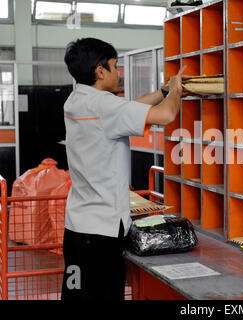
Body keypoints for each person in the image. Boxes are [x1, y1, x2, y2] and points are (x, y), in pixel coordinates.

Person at [61, 37, 186, 301]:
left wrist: (163, 92)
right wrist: (175, 91)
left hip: (77, 229)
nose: (119, 73)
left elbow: (129, 108)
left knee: (76, 296)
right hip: (101, 234)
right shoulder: (104, 105)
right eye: (116, 66)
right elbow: (166, 116)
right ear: (100, 70)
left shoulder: (77, 100)